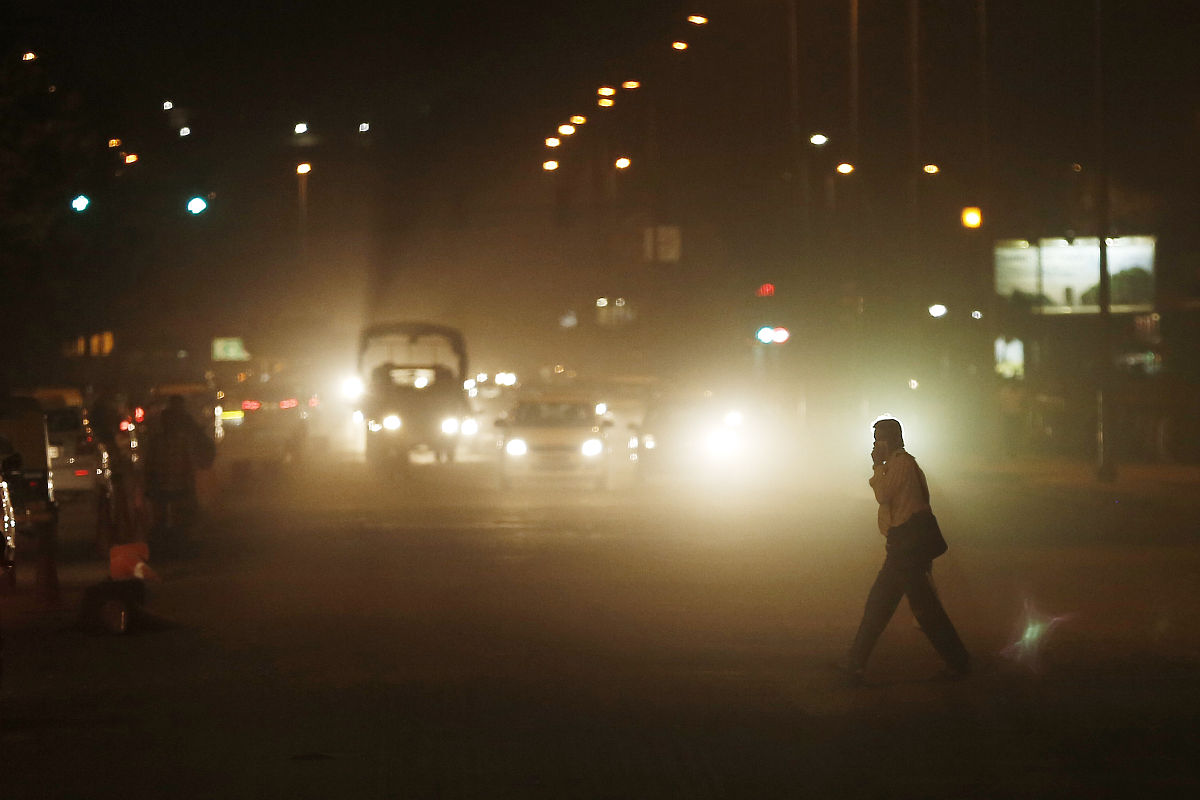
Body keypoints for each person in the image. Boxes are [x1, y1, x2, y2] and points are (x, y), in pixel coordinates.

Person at [843, 417, 970, 685]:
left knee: (884, 605)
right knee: (915, 609)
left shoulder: (900, 464)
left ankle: (855, 665)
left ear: (892, 439)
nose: (876, 444)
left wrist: (877, 465)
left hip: (906, 549)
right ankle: (959, 663)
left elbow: (883, 495)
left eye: (879, 438)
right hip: (904, 547)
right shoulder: (903, 464)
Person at [144, 395, 212, 533]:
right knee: (167, 509)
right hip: (169, 478)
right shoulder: (164, 439)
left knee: (175, 509)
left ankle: (176, 528)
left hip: (174, 478)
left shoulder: (178, 432)